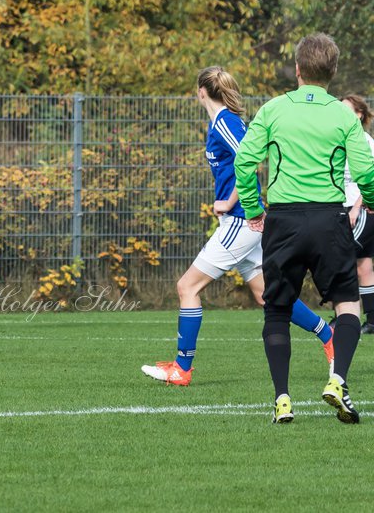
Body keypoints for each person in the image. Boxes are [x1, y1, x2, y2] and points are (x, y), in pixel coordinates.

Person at [141, 66, 334, 386]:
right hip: (246, 224)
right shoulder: (220, 121)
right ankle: (329, 337)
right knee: (268, 296)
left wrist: (230, 202)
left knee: (186, 287)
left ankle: (182, 368)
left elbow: (249, 158)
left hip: (240, 222)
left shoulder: (225, 122)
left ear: (201, 91)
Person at [233, 34, 374, 424]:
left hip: (285, 220)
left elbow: (244, 162)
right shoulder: (344, 115)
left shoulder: (274, 110)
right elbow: (365, 171)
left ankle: (282, 399)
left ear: (297, 69)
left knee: (277, 310)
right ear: (332, 72)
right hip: (330, 220)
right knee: (348, 303)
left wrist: (253, 207)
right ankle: (337, 380)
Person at [340, 94, 374, 334]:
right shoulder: (337, 140)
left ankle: (346, 318)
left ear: (359, 114)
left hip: (360, 209)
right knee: (363, 266)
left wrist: (356, 207)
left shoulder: (366, 141)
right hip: (338, 208)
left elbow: (369, 178)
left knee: (340, 259)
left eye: (347, 110)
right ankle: (370, 321)